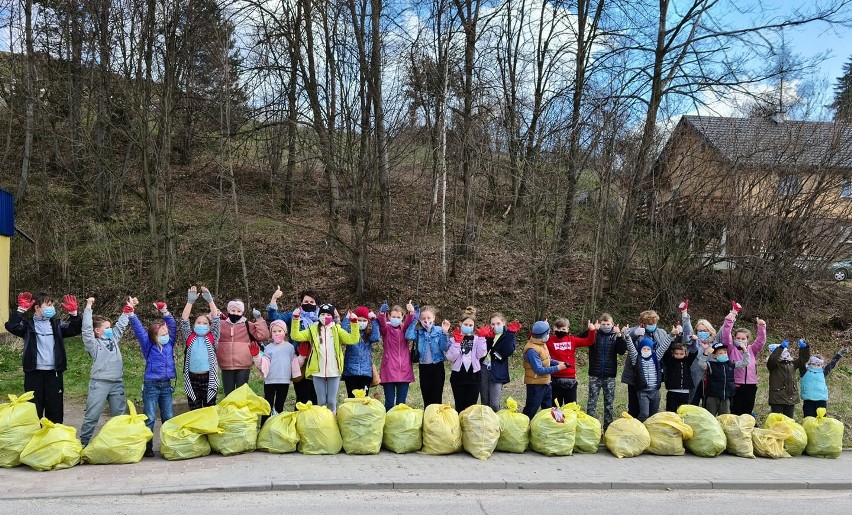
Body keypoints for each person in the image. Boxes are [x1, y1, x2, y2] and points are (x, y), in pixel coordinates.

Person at [5, 292, 81, 423]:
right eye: (48, 305)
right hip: (33, 373)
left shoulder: (57, 325)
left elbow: (74, 330)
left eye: (52, 305)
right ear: (37, 307)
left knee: (55, 409)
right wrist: (20, 310)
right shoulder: (27, 326)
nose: (52, 308)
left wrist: (74, 315)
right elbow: (12, 326)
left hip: (54, 373)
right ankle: (35, 438)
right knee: (34, 409)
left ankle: (53, 438)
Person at [128, 297, 177, 457]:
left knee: (168, 416)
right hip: (151, 386)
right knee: (149, 417)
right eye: (161, 334)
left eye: (166, 333)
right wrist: (132, 314)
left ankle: (168, 445)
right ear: (154, 336)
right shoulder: (148, 346)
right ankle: (147, 447)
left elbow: (173, 326)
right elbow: (139, 331)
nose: (165, 335)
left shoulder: (170, 344)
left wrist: (164, 311)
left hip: (166, 385)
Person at [290, 303, 360, 414]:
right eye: (322, 314)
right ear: (319, 315)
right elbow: (296, 336)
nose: (325, 316)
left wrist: (354, 324)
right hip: (318, 371)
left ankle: (332, 424)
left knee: (331, 402)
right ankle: (323, 425)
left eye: (328, 314)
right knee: (321, 401)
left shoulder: (337, 329)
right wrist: (295, 319)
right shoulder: (312, 329)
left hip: (334, 370)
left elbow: (352, 339)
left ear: (332, 316)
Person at [79, 297, 129, 447]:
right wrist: (88, 307)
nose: (110, 330)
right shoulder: (93, 344)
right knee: (92, 416)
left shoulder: (113, 338)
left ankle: (118, 445)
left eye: (110, 327)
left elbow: (120, 326)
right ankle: (83, 444)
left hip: (117, 383)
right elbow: (86, 330)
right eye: (106, 328)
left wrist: (127, 311)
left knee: (119, 417)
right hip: (99, 383)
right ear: (97, 330)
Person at [267, 287, 320, 404]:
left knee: (316, 397)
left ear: (317, 304)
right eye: (306, 302)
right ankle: (299, 420)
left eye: (312, 302)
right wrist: (274, 298)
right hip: (299, 361)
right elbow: (275, 318)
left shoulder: (323, 317)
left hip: (318, 361)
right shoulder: (294, 315)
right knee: (302, 397)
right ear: (301, 303)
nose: (308, 304)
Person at [621, 310, 673, 418]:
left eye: (654, 323)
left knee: (653, 409)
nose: (652, 326)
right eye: (649, 324)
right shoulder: (636, 330)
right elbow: (627, 341)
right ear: (643, 323)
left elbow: (665, 347)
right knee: (635, 406)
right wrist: (634, 334)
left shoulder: (661, 332)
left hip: (653, 376)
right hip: (635, 375)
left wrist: (673, 334)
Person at [720, 301, 767, 415]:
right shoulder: (731, 348)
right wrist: (729, 320)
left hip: (750, 384)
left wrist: (761, 326)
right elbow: (725, 335)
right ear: (734, 338)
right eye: (738, 338)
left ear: (747, 339)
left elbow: (761, 341)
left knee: (747, 410)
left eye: (743, 338)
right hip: (736, 384)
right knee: (735, 410)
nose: (740, 340)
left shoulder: (752, 349)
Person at [180, 286, 221, 411]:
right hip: (192, 379)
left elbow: (216, 319)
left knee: (209, 411)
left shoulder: (212, 337)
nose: (201, 325)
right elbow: (184, 320)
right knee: (195, 411)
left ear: (209, 327)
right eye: (198, 322)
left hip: (208, 378)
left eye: (205, 323)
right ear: (194, 326)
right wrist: (190, 302)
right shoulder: (189, 337)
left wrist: (210, 300)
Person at [217, 298, 269, 394]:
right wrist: (210, 316)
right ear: (228, 310)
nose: (235, 313)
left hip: (244, 366)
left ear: (242, 312)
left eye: (239, 311)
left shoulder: (247, 324)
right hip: (226, 365)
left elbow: (264, 335)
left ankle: (241, 409)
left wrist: (259, 319)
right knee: (228, 393)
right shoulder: (221, 324)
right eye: (233, 310)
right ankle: (229, 408)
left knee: (241, 393)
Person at [405, 305, 451, 407]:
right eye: (423, 318)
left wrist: (444, 332)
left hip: (437, 367)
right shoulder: (418, 332)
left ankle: (436, 419)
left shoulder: (439, 330)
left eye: (429, 318)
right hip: (424, 368)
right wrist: (415, 319)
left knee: (437, 396)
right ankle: (428, 419)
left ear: (434, 317)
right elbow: (408, 335)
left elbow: (445, 347)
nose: (426, 320)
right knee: (426, 397)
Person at [586, 313, 626, 431]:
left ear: (612, 324)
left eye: (608, 324)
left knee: (609, 403)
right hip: (594, 374)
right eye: (603, 324)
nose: (605, 326)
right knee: (591, 402)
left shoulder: (615, 336)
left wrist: (619, 334)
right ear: (599, 324)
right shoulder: (595, 335)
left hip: (610, 376)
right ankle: (589, 428)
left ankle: (608, 428)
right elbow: (583, 339)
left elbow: (622, 351)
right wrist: (591, 330)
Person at [522, 321, 568, 419]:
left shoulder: (542, 343)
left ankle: (546, 428)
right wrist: (558, 368)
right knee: (531, 409)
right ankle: (523, 428)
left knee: (547, 408)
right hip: (535, 385)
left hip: (545, 382)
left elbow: (546, 359)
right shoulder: (532, 350)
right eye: (547, 333)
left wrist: (558, 362)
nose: (549, 335)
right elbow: (539, 370)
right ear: (543, 334)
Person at [546, 318, 596, 407]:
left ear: (568, 329)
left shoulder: (572, 340)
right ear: (554, 328)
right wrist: (544, 327)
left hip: (570, 378)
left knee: (571, 407)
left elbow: (589, 341)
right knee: (555, 407)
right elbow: (533, 338)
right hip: (554, 377)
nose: (561, 331)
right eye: (558, 328)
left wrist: (592, 331)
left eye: (563, 329)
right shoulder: (549, 339)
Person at [376, 300, 416, 411]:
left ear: (403, 317)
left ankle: (399, 426)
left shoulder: (404, 329)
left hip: (404, 369)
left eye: (398, 317)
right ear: (389, 316)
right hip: (389, 369)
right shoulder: (386, 329)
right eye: (393, 316)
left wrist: (411, 312)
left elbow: (410, 321)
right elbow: (382, 323)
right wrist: (381, 313)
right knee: (389, 402)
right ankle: (388, 424)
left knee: (401, 403)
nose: (396, 319)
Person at [446, 307, 487, 412]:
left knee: (471, 407)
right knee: (460, 406)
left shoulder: (477, 339)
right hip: (458, 376)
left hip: (474, 377)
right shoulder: (453, 339)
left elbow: (481, 354)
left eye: (470, 325)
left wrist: (482, 339)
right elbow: (450, 357)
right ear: (460, 323)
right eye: (465, 324)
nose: (468, 327)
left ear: (473, 326)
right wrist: (457, 343)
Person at [477, 313, 520, 412]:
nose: (495, 326)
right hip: (484, 368)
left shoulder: (507, 335)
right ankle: (487, 423)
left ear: (503, 323)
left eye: (498, 323)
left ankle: (496, 421)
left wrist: (510, 334)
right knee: (485, 401)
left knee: (494, 404)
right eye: (492, 324)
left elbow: (507, 351)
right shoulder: (488, 335)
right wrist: (485, 338)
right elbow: (481, 353)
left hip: (498, 370)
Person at [698, 341, 750, 416]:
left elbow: (745, 363)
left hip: (726, 396)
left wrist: (745, 351)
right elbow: (701, 364)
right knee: (710, 415)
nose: (724, 355)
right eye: (720, 353)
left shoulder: (730, 364)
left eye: (725, 353)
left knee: (725, 417)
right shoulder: (711, 365)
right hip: (713, 396)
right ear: (714, 355)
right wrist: (705, 354)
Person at [342, 306, 381, 397]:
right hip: (351, 372)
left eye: (364, 320)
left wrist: (374, 320)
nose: (361, 323)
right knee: (352, 399)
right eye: (359, 320)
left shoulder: (369, 335)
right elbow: (343, 330)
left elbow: (376, 337)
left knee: (363, 399)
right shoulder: (350, 333)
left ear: (368, 321)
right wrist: (348, 318)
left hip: (365, 372)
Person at [262, 319, 296, 423]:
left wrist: (302, 357)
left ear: (285, 332)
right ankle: (264, 427)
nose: (277, 333)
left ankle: (278, 425)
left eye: (280, 331)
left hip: (284, 380)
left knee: (279, 405)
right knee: (267, 405)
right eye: (274, 331)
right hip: (270, 380)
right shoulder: (268, 348)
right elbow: (264, 362)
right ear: (271, 333)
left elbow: (294, 362)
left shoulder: (290, 348)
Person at [767, 339, 810, 418]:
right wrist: (781, 347)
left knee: (789, 422)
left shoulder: (792, 364)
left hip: (791, 398)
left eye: (785, 352)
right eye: (783, 352)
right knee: (776, 422)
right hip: (777, 398)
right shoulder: (773, 365)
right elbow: (772, 359)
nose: (785, 354)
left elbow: (803, 360)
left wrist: (804, 348)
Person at [800, 348, 848, 418]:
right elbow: (801, 360)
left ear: (821, 365)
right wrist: (803, 348)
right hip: (808, 400)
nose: (816, 366)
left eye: (818, 364)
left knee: (821, 420)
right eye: (813, 364)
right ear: (809, 363)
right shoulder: (804, 372)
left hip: (821, 400)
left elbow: (832, 364)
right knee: (809, 419)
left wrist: (839, 354)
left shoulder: (823, 372)